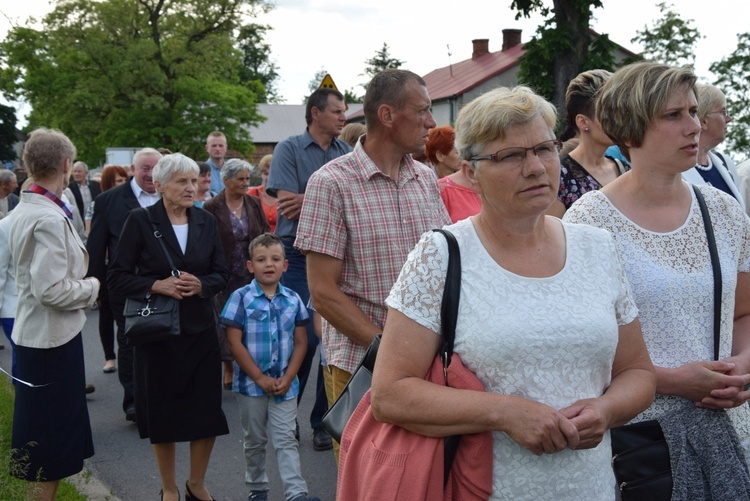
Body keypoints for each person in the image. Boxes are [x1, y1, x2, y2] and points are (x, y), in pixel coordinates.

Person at [370, 85, 655, 499]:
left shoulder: (598, 247)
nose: (537, 167)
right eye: (511, 156)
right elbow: (390, 394)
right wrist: (504, 412)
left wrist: (606, 409)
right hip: (483, 488)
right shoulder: (442, 255)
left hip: (592, 488)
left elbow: (638, 372)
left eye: (544, 148)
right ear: (470, 172)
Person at [564, 62, 750, 491]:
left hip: (730, 429)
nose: (694, 126)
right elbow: (581, 345)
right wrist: (669, 380)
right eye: (674, 115)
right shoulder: (587, 222)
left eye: (693, 112)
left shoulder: (723, 211)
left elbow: (744, 313)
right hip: (641, 440)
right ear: (629, 130)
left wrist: (741, 367)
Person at [296, 69, 452, 458]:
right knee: (366, 481)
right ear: (387, 116)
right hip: (360, 366)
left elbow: (447, 266)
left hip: (429, 364)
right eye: (423, 111)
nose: (431, 123)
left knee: (421, 480)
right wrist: (388, 350)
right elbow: (323, 292)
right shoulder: (331, 182)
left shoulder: (426, 178)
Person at [108, 153, 229, 501]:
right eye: (182, 182)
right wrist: (155, 285)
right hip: (158, 333)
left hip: (199, 330)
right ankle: (169, 488)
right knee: (163, 413)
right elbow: (116, 276)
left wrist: (202, 286)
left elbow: (221, 273)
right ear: (160, 186)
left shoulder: (205, 221)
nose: (191, 187)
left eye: (194, 181)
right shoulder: (140, 220)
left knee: (206, 412)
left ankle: (197, 484)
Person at [9, 128, 100, 500]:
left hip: (41, 338)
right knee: (49, 449)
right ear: (66, 165)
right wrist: (93, 288)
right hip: (50, 344)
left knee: (47, 447)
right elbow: (51, 290)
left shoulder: (28, 206)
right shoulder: (45, 216)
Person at [266, 87, 351, 451]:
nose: (343, 117)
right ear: (316, 113)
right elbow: (286, 206)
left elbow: (352, 201)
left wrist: (311, 199)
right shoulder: (289, 148)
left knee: (331, 338)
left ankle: (321, 421)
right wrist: (333, 197)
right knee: (307, 336)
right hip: (297, 254)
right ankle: (285, 416)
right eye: (337, 111)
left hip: (336, 253)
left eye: (344, 111)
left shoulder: (345, 152)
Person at [221, 233, 320, 501]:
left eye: (275, 259)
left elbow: (301, 342)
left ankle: (296, 493)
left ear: (285, 265)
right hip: (251, 386)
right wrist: (259, 377)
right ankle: (258, 489)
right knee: (255, 441)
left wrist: (289, 377)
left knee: (287, 440)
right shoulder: (240, 298)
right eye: (261, 259)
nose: (269, 264)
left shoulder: (293, 299)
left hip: (285, 386)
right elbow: (234, 342)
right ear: (250, 265)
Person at [87, 147, 163, 422]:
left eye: (156, 168)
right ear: (133, 169)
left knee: (162, 338)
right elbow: (96, 246)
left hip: (165, 284)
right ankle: (133, 401)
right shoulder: (109, 201)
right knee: (130, 340)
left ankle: (159, 395)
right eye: (145, 168)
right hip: (125, 284)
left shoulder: (170, 196)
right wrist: (95, 286)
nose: (151, 174)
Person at [204, 158, 270, 390]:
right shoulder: (212, 206)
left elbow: (264, 233)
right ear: (226, 181)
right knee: (226, 321)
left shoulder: (253, 202)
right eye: (240, 179)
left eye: (246, 178)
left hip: (251, 273)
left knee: (251, 319)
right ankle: (229, 367)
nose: (245, 182)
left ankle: (250, 366)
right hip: (224, 273)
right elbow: (207, 240)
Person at [547, 69, 628, 217]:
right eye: (608, 115)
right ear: (583, 122)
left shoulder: (623, 168)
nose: (619, 122)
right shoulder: (559, 177)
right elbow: (554, 234)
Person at [85, 164, 130, 374]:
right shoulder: (100, 203)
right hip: (105, 266)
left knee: (124, 322)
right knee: (106, 312)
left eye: (124, 180)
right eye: (117, 181)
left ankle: (123, 355)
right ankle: (109, 357)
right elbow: (94, 237)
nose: (122, 184)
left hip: (122, 271)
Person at [681, 83, 745, 212]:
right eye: (723, 112)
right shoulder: (676, 168)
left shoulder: (726, 163)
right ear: (704, 121)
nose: (729, 119)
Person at [428, 125, 481, 222]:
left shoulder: (470, 180)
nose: (462, 157)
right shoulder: (434, 186)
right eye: (457, 152)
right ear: (440, 156)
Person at [247, 154, 278, 232]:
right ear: (261, 174)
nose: (268, 177)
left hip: (280, 239)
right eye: (265, 174)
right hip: (258, 238)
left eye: (271, 174)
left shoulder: (284, 194)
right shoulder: (253, 193)